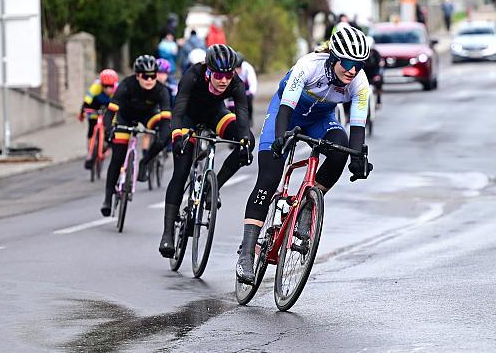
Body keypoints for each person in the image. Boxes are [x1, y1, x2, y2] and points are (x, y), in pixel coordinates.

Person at [235, 23, 373, 284]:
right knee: (269, 177)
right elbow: (286, 107)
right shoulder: (308, 66)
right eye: (347, 62)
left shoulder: (359, 83)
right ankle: (247, 252)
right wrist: (279, 140)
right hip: (286, 113)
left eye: (360, 64)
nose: (353, 70)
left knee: (339, 146)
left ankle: (308, 205)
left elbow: (357, 129)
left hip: (320, 119)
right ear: (333, 57)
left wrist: (358, 159)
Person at [158, 44, 255, 257]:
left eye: (228, 75)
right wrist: (176, 136)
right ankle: (167, 234)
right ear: (208, 70)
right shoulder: (193, 75)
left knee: (248, 141)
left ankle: (214, 186)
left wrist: (245, 141)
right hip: (188, 118)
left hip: (215, 114)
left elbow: (242, 113)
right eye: (219, 75)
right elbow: (179, 108)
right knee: (181, 170)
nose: (224, 80)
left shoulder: (234, 82)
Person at [100, 55, 172, 216]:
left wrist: (164, 135)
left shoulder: (161, 90)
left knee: (164, 136)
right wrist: (108, 129)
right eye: (145, 76)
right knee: (117, 157)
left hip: (148, 116)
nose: (149, 79)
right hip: (125, 117)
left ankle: (145, 162)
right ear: (137, 75)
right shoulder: (127, 85)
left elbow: (167, 118)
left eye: (153, 75)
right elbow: (110, 112)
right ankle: (107, 198)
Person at [79, 69, 119, 169]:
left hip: (110, 106)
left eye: (111, 86)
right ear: (101, 84)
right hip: (95, 106)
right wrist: (82, 112)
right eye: (105, 86)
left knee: (111, 126)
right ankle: (90, 153)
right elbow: (87, 101)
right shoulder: (96, 86)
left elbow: (120, 104)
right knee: (91, 129)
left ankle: (107, 144)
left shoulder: (117, 89)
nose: (108, 89)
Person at [224, 56, 257, 124]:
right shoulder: (229, 69)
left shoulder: (248, 68)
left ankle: (249, 118)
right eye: (235, 68)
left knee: (248, 101)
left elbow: (253, 82)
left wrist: (251, 93)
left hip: (246, 87)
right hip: (233, 87)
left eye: (239, 67)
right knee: (230, 104)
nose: (237, 70)